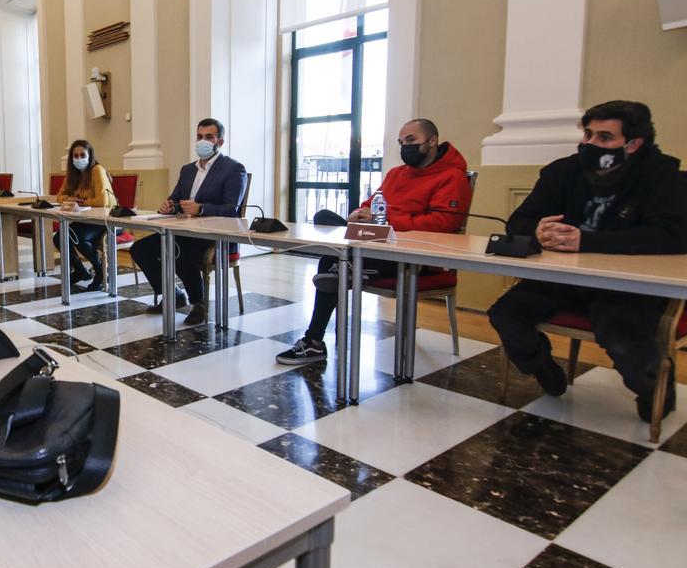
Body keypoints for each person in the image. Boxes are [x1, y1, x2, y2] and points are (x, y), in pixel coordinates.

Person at [488, 100, 687, 421]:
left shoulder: (664, 177)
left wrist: (587, 241)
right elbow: (518, 222)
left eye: (604, 138)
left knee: (620, 334)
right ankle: (543, 368)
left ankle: (653, 389)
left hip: (625, 284)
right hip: (562, 279)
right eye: (588, 135)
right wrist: (537, 231)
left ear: (634, 144)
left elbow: (672, 236)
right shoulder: (563, 171)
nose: (590, 144)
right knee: (506, 315)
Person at [278, 119, 471, 365]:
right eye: (401, 142)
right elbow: (373, 202)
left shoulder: (452, 177)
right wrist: (360, 213)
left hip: (411, 255)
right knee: (325, 219)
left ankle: (314, 340)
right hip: (376, 241)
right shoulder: (396, 174)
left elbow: (442, 224)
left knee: (331, 258)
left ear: (432, 140)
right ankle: (348, 268)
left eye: (411, 140)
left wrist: (386, 219)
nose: (405, 147)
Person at [129, 118, 248, 326]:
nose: (203, 141)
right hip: (183, 231)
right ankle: (173, 294)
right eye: (200, 136)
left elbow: (232, 210)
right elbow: (175, 199)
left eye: (209, 137)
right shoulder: (187, 170)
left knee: (177, 250)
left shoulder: (233, 169)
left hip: (212, 236)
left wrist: (201, 208)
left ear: (220, 141)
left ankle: (199, 303)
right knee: (139, 248)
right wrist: (168, 206)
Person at [51, 139, 117, 292]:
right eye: (75, 156)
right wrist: (70, 199)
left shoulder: (97, 170)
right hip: (86, 220)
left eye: (82, 155)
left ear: (90, 155)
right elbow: (60, 196)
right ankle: (81, 270)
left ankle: (101, 272)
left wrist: (80, 201)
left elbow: (102, 201)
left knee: (79, 238)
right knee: (59, 237)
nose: (79, 159)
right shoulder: (73, 174)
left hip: (107, 220)